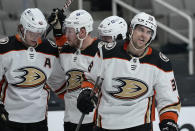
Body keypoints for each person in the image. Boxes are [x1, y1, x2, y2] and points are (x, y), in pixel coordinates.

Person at [77, 12, 181, 131]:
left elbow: (169, 99)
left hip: (140, 125)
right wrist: (85, 94)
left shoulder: (161, 62)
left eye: (149, 32)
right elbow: (90, 79)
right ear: (131, 29)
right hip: (106, 124)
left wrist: (168, 121)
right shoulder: (106, 53)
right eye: (141, 30)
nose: (144, 35)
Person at [47, 11, 129, 131]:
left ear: (82, 32)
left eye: (70, 31)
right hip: (70, 119)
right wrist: (58, 31)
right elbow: (63, 52)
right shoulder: (66, 49)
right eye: (67, 30)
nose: (67, 34)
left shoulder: (102, 52)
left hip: (95, 120)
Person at [0, 8, 60, 131]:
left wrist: (59, 33)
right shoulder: (4, 48)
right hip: (9, 119)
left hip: (39, 120)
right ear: (21, 28)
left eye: (39, 32)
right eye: (32, 32)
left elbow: (61, 80)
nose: (36, 37)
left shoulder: (50, 49)